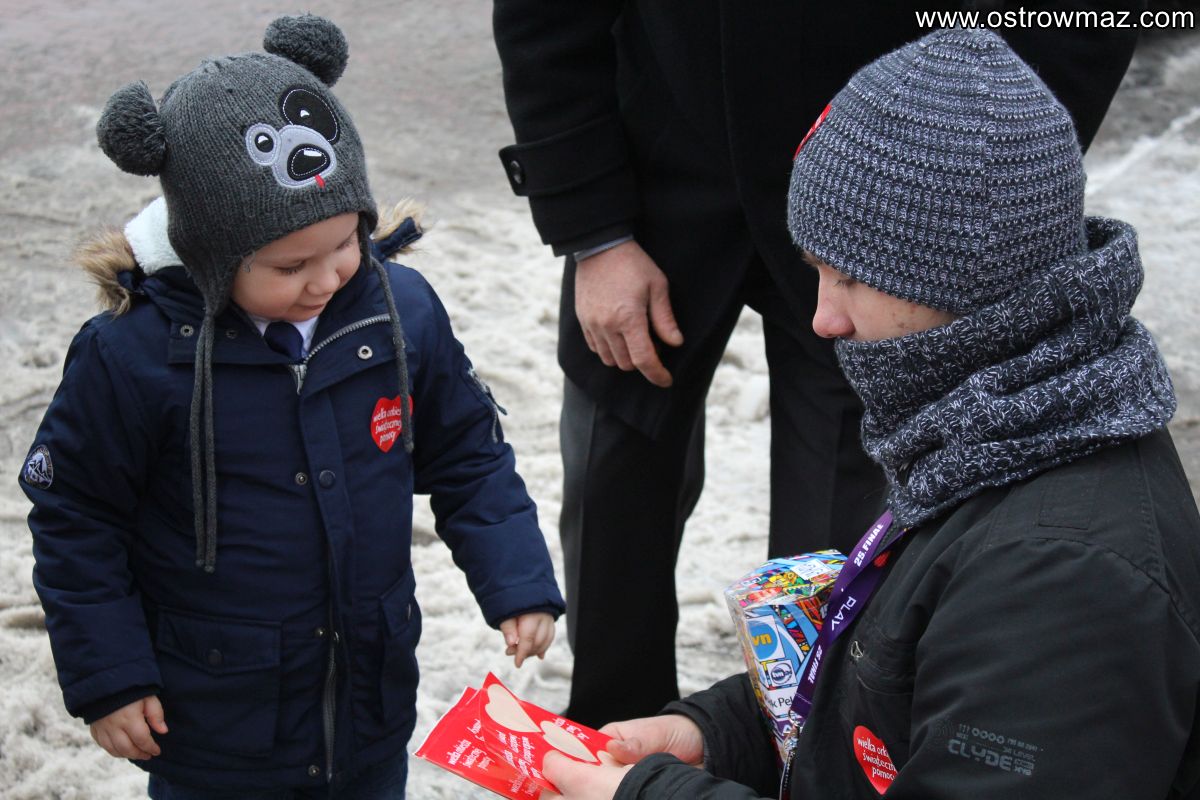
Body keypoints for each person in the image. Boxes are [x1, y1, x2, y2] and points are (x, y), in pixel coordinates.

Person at [533, 28, 1200, 799]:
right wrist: (722, 734)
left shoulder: (1063, 578)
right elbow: (898, 690)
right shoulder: (993, 433)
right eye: (815, 272)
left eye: (849, 279)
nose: (823, 319)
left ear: (968, 278)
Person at [18, 15, 564, 798]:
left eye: (346, 243)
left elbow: (469, 456)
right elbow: (77, 518)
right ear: (210, 253)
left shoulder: (398, 313)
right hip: (214, 720)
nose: (327, 278)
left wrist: (517, 581)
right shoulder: (133, 355)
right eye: (288, 266)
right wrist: (109, 673)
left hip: (369, 701)